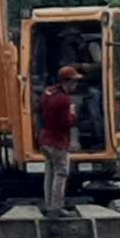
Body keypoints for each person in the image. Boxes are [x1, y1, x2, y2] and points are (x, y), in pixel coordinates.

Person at [36, 66, 80, 214]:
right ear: (67, 82)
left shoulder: (48, 92)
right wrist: (73, 113)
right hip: (57, 142)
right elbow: (66, 123)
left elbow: (40, 110)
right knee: (61, 174)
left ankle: (49, 204)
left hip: (44, 141)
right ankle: (56, 208)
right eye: (74, 82)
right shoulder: (64, 100)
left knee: (49, 172)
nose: (76, 85)